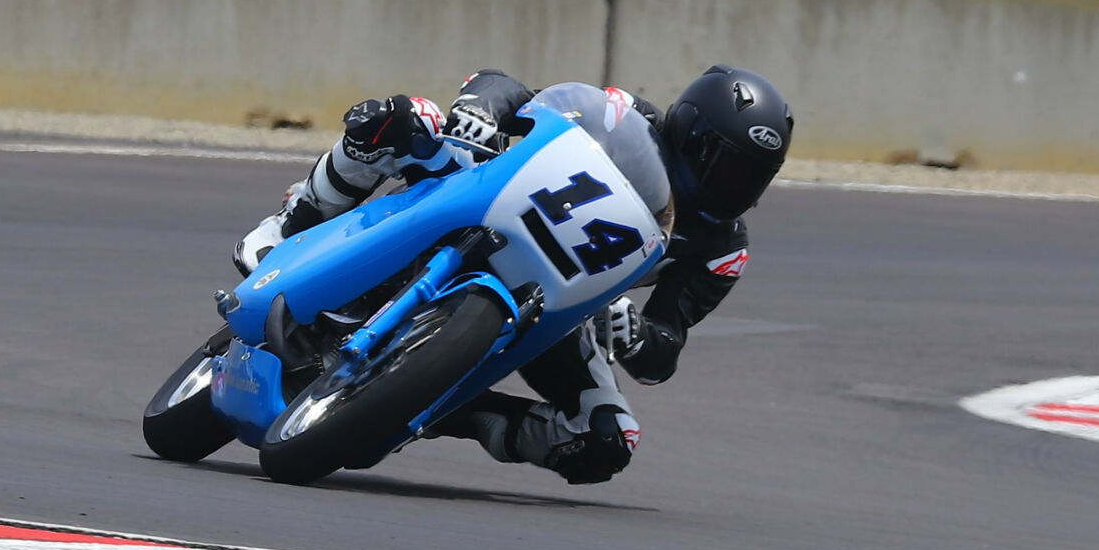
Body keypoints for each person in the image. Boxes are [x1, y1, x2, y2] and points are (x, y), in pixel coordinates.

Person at [232, 65, 794, 483]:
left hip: (561, 305)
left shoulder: (722, 247)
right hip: (488, 199)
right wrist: (482, 110)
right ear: (691, 134)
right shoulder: (625, 116)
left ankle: (420, 403)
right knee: (405, 119)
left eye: (754, 177)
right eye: (727, 165)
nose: (736, 188)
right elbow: (512, 87)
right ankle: (288, 225)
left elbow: (664, 352)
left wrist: (636, 335)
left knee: (606, 441)